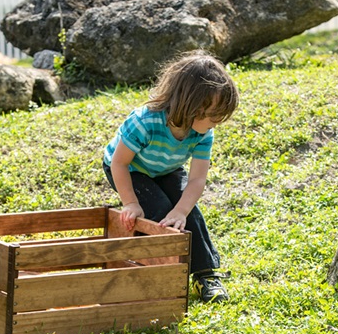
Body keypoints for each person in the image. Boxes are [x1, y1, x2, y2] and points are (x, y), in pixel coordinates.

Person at [102, 49, 239, 303]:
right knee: (158, 210)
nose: (217, 122)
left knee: (188, 212)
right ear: (191, 105)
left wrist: (182, 211)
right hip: (129, 169)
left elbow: (197, 179)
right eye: (213, 115)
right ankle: (157, 272)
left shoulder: (203, 131)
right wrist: (131, 202)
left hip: (165, 169)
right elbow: (119, 164)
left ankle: (206, 275)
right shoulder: (146, 121)